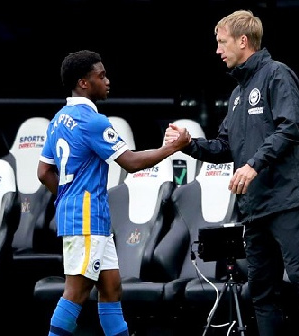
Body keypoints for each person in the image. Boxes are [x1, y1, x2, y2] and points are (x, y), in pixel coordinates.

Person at [165, 9, 299, 336]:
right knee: (261, 289)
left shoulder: (277, 75)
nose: (218, 50)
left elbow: (291, 129)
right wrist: (188, 144)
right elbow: (223, 147)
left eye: (222, 42)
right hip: (254, 209)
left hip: (287, 200)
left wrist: (253, 164)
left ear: (243, 41)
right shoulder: (237, 94)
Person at [37, 50, 190, 336]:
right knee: (76, 292)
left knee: (111, 289)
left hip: (87, 217)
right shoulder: (93, 121)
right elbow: (130, 162)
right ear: (84, 83)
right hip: (86, 217)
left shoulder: (58, 119)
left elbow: (43, 172)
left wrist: (67, 197)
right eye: (101, 75)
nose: (107, 81)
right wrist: (172, 148)